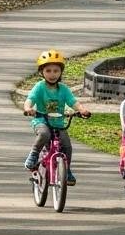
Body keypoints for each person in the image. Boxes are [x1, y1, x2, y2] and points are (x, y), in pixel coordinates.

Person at [23, 49, 90, 186]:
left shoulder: (64, 89)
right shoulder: (39, 87)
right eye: (48, 71)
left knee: (67, 146)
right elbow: (30, 99)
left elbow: (73, 102)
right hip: (41, 120)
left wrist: (82, 110)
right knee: (44, 134)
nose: (52, 74)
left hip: (58, 123)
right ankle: (33, 155)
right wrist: (28, 108)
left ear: (61, 72)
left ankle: (67, 170)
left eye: (56, 71)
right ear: (42, 72)